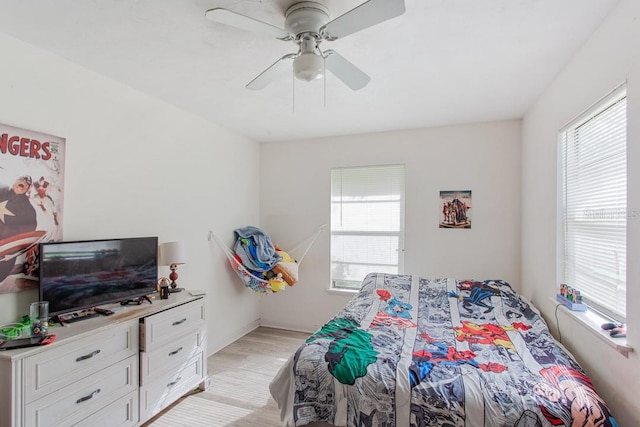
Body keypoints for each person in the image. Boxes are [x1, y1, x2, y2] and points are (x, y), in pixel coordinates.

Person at [0, 176, 38, 282]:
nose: (24, 183)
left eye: (27, 183)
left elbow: (28, 232)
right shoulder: (1, 191)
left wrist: (5, 230)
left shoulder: (29, 210)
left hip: (5, 252)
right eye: (22, 179)